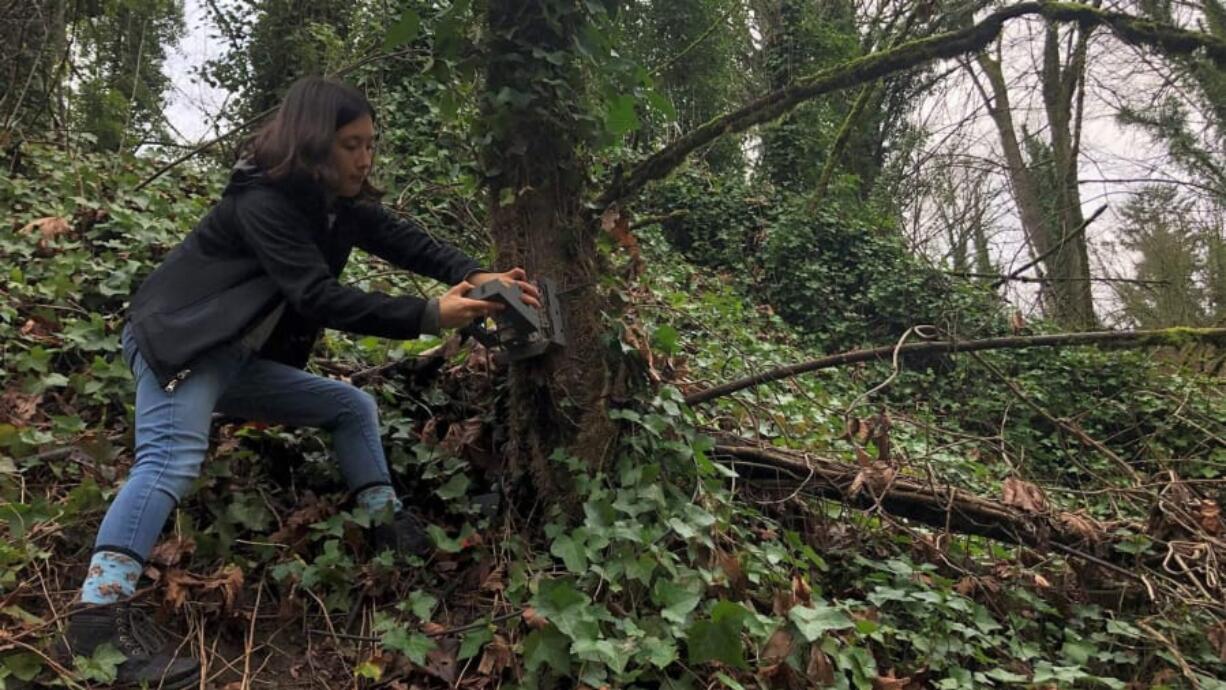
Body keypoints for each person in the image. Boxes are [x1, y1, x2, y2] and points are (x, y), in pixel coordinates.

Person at [60, 76, 540, 689]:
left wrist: (473, 273)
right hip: (184, 343)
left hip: (236, 359)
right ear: (314, 142)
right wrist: (428, 315)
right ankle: (97, 619)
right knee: (170, 460)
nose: (365, 158)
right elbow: (317, 295)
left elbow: (399, 238)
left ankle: (392, 527)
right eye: (350, 144)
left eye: (370, 143)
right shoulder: (264, 202)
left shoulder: (336, 204)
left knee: (349, 405)